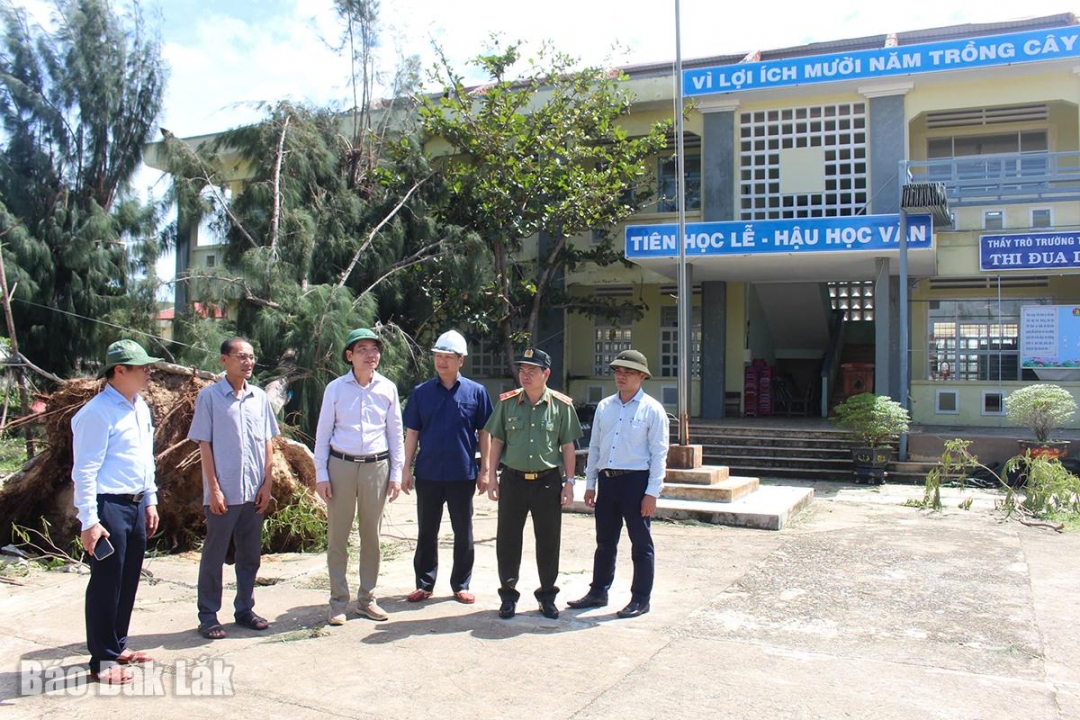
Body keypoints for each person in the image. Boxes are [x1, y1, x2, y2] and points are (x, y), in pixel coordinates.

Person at [71, 339, 162, 685]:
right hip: (108, 506)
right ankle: (103, 659)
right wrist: (89, 521)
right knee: (106, 582)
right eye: (142, 367)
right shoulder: (96, 413)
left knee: (128, 579)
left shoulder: (139, 407)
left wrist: (150, 499)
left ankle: (118, 644)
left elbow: (144, 458)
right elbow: (84, 471)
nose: (148, 372)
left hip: (136, 504)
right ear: (119, 371)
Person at [187, 337, 280, 640]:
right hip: (223, 493)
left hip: (254, 492)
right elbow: (205, 444)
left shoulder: (259, 398)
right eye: (241, 356)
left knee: (250, 556)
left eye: (251, 357)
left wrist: (267, 484)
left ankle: (245, 609)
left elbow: (268, 441)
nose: (248, 362)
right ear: (223, 360)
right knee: (214, 556)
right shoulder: (210, 397)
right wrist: (213, 488)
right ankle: (208, 615)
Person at [568, 349, 668, 619]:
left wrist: (652, 493)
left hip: (636, 482)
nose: (621, 376)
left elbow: (659, 454)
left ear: (642, 376)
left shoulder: (652, 410)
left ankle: (640, 598)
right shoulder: (605, 407)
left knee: (641, 543)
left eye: (628, 372)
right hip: (607, 481)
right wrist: (590, 484)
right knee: (605, 541)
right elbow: (597, 447)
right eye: (618, 372)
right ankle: (598, 591)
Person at [314, 327, 404, 624]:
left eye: (374, 349)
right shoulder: (336, 389)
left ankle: (367, 599)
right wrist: (321, 473)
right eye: (362, 349)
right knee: (338, 536)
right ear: (349, 356)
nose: (370, 355)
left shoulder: (387, 388)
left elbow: (395, 433)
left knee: (372, 537)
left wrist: (396, 472)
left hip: (376, 467)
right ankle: (338, 602)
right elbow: (323, 433)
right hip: (341, 465)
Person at [485, 347, 582, 620]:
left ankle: (548, 595)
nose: (525, 375)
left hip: (547, 482)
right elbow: (497, 441)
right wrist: (492, 476)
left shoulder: (561, 406)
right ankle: (508, 595)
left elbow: (567, 447)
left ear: (546, 373)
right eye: (522, 370)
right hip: (513, 480)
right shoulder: (507, 402)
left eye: (532, 371)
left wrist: (570, 482)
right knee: (507, 540)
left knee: (549, 540)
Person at [401, 330, 493, 604]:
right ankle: (424, 583)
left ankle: (461, 584)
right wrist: (406, 468)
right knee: (426, 531)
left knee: (463, 531)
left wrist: (485, 469)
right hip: (427, 473)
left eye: (448, 357)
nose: (442, 362)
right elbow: (412, 433)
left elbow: (485, 433)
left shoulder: (476, 392)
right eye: (438, 356)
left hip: (461, 473)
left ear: (460, 360)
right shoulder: (421, 393)